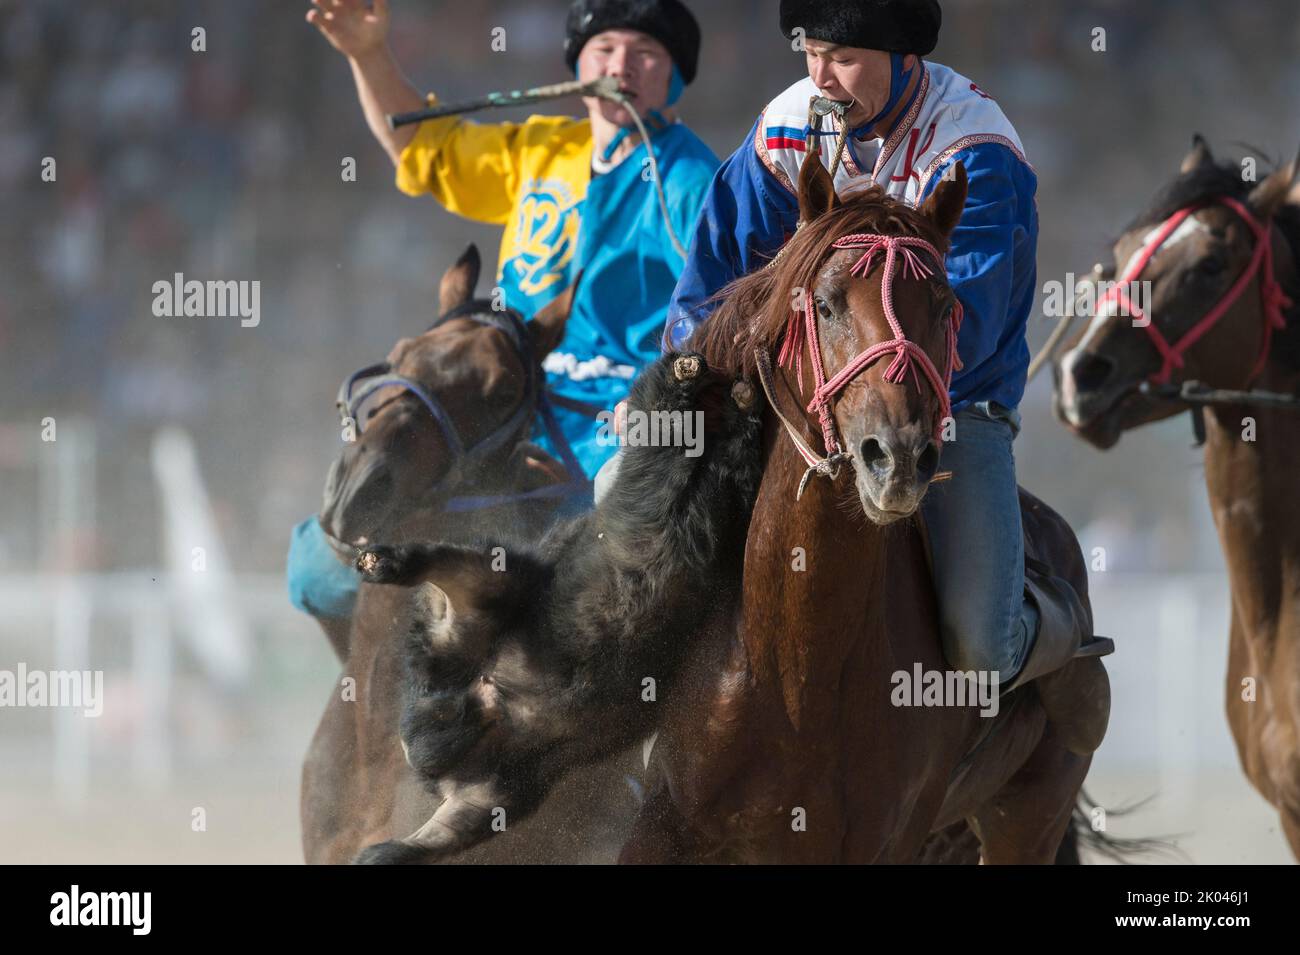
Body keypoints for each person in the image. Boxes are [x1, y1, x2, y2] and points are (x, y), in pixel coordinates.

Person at [656, 0, 1092, 693]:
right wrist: (683, 380)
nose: (823, 77)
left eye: (845, 59)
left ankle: (1055, 623)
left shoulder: (976, 146)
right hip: (798, 400)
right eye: (812, 53)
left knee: (980, 651)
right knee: (644, 534)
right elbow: (708, 287)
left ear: (906, 60)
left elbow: (964, 328)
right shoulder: (786, 127)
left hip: (951, 406)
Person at [288, 0, 718, 623]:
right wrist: (369, 53)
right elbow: (422, 144)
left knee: (585, 593)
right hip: (504, 402)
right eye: (604, 50)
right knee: (319, 570)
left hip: (619, 419)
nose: (621, 64)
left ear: (675, 75)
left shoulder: (694, 181)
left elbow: (721, 307)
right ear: (578, 66)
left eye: (645, 53)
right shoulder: (543, 149)